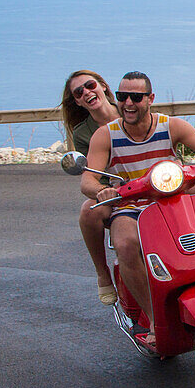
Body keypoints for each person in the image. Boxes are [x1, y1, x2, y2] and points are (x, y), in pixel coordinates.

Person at [81, 71, 195, 342]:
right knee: (125, 244)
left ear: (150, 98)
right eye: (122, 97)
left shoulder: (171, 126)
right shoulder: (105, 136)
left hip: (174, 198)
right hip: (130, 205)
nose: (128, 103)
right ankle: (154, 320)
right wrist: (102, 190)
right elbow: (88, 179)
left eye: (136, 97)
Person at [60, 70, 122, 305]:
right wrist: (103, 191)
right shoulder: (84, 133)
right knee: (88, 211)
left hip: (153, 182)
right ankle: (102, 273)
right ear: (77, 101)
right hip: (118, 190)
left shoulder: (130, 110)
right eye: (79, 92)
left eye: (90, 85)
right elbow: (92, 174)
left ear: (103, 86)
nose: (87, 92)